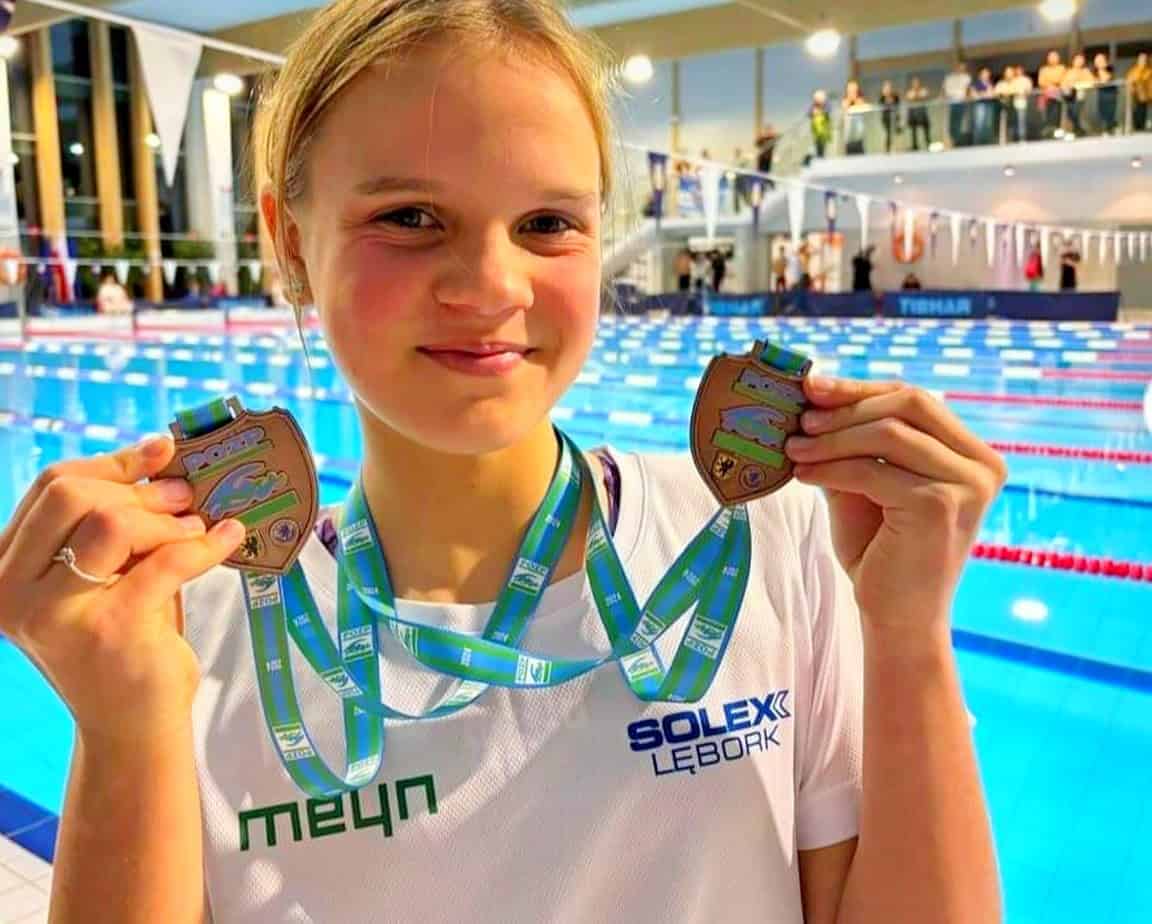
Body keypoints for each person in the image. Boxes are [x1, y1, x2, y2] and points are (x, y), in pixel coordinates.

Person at [5, 2, 1003, 921]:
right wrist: (125, 729)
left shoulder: (769, 544)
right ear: (291, 241)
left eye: (547, 224)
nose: (491, 287)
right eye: (409, 217)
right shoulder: (190, 637)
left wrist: (909, 633)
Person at [1061, 53, 1094, 136]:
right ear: (1073, 61)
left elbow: (1091, 82)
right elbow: (1064, 84)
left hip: (1081, 95)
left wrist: (1078, 83)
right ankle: (1078, 129)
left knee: (1076, 112)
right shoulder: (1069, 72)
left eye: (1081, 60)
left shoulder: (1085, 71)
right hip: (1070, 96)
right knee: (1071, 113)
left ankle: (1078, 129)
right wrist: (1070, 84)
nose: (1079, 61)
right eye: (1077, 59)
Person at [942, 61, 972, 147]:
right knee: (952, 124)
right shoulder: (949, 78)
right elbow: (944, 91)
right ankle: (954, 141)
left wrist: (967, 97)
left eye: (962, 67)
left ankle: (960, 142)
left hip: (961, 102)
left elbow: (968, 90)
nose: (960, 68)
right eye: (958, 66)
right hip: (951, 102)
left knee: (961, 123)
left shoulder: (966, 77)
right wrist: (944, 97)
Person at [1037, 50, 1066, 137]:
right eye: (1051, 57)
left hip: (1059, 97)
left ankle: (1057, 131)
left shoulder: (1062, 68)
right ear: (1047, 58)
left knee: (1058, 115)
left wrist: (1052, 83)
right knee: (1047, 116)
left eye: (1055, 57)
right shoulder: (1043, 69)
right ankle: (1048, 131)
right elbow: (1041, 82)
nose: (1053, 59)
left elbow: (1063, 80)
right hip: (1047, 97)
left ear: (1058, 58)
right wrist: (1054, 83)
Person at [970, 67, 997, 145]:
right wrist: (985, 94)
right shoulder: (975, 83)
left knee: (988, 124)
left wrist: (983, 94)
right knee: (979, 124)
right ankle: (978, 143)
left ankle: (988, 142)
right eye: (984, 73)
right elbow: (974, 95)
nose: (986, 75)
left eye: (987, 73)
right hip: (979, 106)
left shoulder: (990, 83)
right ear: (980, 74)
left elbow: (992, 94)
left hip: (989, 105)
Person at [1126, 51, 1151, 131]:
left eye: (1145, 58)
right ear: (1138, 59)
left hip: (1147, 97)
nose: (1143, 60)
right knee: (1138, 115)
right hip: (1136, 98)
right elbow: (1130, 82)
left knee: (1144, 115)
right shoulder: (1133, 71)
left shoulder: (1149, 70)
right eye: (1141, 58)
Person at [1008, 64, 1034, 142]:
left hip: (1023, 102)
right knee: (1013, 121)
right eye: (1017, 70)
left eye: (1020, 70)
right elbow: (1010, 90)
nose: (1018, 71)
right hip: (1013, 103)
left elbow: (1029, 90)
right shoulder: (1013, 80)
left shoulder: (1026, 80)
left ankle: (1022, 137)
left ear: (1022, 71)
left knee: (1022, 120)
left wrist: (1024, 93)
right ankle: (1014, 138)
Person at [842, 79, 868, 155]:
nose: (852, 91)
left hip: (859, 137)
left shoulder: (860, 100)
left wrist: (855, 99)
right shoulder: (845, 101)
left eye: (853, 89)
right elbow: (845, 106)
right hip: (849, 138)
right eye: (850, 89)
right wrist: (850, 100)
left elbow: (861, 105)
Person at [905, 76, 931, 150]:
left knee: (926, 128)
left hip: (922, 113)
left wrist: (917, 96)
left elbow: (925, 96)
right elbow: (910, 98)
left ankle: (928, 143)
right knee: (913, 130)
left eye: (917, 82)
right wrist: (917, 96)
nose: (916, 84)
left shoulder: (923, 90)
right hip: (913, 114)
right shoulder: (910, 91)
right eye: (914, 83)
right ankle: (915, 145)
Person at [1093, 52, 1117, 134]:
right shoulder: (1095, 70)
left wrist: (1101, 68)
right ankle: (1106, 128)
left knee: (1110, 111)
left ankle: (1110, 127)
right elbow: (1094, 81)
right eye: (1097, 59)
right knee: (1102, 110)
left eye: (1100, 59)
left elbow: (1106, 79)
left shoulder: (1109, 68)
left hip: (1110, 92)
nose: (1098, 61)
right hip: (1101, 93)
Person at [808, 89, 832, 159]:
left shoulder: (827, 106)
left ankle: (822, 158)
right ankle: (819, 157)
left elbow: (828, 111)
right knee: (817, 147)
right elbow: (809, 113)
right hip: (816, 132)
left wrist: (819, 112)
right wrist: (813, 113)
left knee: (823, 147)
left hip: (824, 132)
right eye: (816, 99)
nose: (818, 100)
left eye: (819, 98)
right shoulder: (813, 106)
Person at [878, 80, 901, 152]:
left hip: (895, 117)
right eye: (886, 88)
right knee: (888, 133)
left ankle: (897, 148)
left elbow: (897, 103)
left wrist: (892, 99)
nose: (888, 90)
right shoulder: (882, 98)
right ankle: (887, 149)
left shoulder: (895, 96)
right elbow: (881, 105)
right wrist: (886, 98)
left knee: (896, 132)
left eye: (889, 88)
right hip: (886, 118)